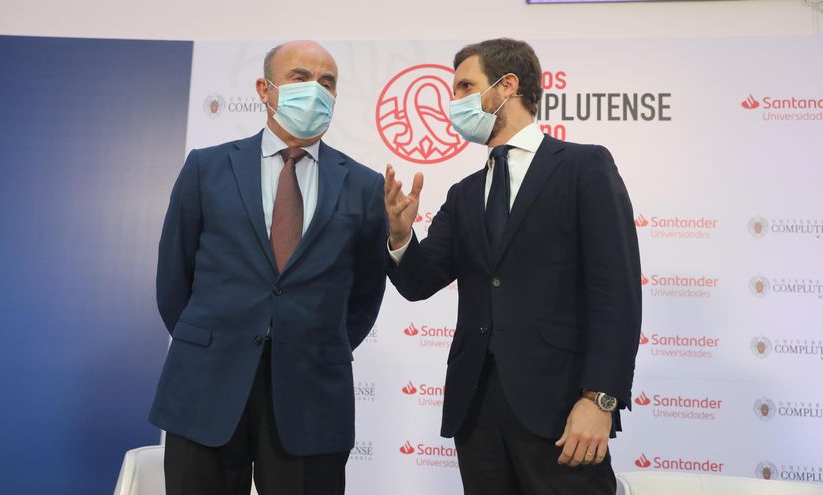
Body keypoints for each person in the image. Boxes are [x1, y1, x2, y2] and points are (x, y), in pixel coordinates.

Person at [384, 38, 642, 495]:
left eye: (466, 85)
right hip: (476, 410)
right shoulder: (463, 193)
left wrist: (600, 399)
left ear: (507, 86)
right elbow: (419, 282)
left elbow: (615, 292)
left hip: (562, 409)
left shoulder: (584, 166)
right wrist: (401, 236)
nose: (454, 101)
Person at [150, 40, 388, 495]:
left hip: (311, 394)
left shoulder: (363, 185)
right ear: (265, 88)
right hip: (206, 386)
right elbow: (173, 280)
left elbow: (363, 298)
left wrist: (311, 342)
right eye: (301, 77)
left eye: (327, 82)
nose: (315, 90)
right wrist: (213, 341)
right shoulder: (206, 167)